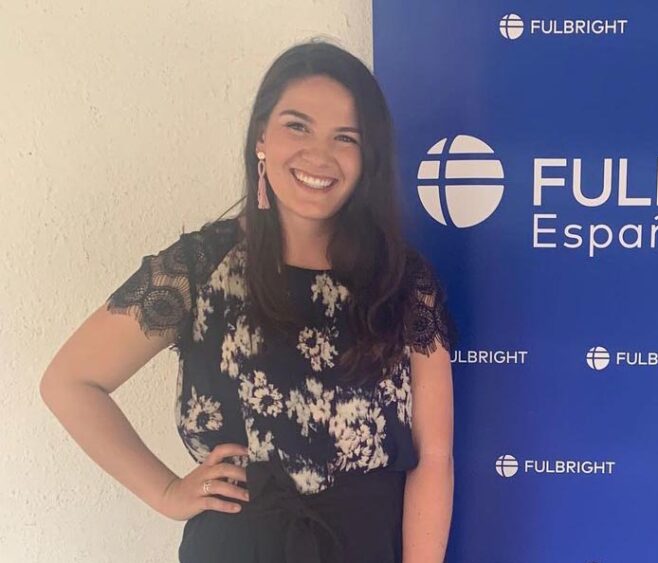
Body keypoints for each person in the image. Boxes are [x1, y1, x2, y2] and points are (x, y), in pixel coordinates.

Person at [39, 39, 456, 563]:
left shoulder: (403, 279)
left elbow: (434, 457)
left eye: (345, 137)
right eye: (297, 125)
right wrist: (166, 493)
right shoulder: (200, 265)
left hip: (366, 545)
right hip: (236, 545)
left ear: (366, 157)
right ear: (262, 135)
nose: (319, 154)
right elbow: (70, 382)